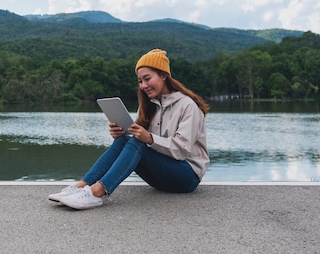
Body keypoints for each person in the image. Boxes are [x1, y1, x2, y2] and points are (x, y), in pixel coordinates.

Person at [48, 48, 210, 210]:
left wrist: (149, 139)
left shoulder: (188, 106)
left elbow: (182, 150)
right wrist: (119, 134)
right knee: (126, 139)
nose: (143, 85)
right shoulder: (149, 105)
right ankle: (81, 186)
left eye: (147, 79)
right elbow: (136, 145)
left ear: (163, 75)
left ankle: (96, 193)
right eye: (140, 81)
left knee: (139, 142)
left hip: (187, 178)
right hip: (161, 178)